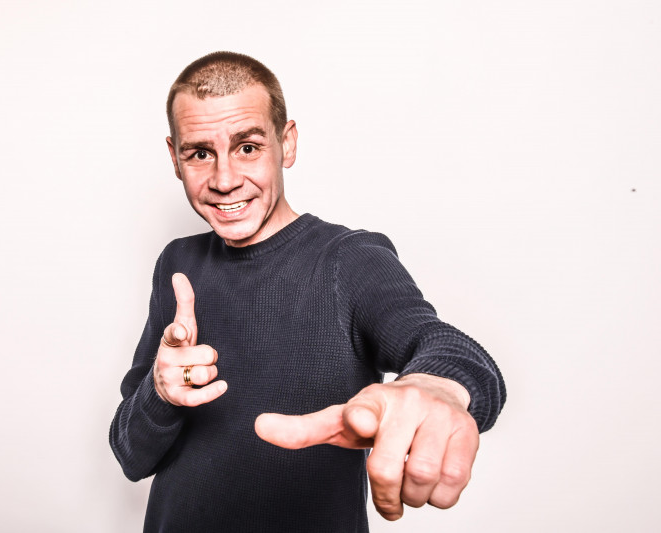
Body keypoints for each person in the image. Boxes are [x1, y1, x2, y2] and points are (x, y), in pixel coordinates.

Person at [109, 51, 506, 532]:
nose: (225, 180)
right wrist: (160, 393)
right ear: (175, 158)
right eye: (200, 154)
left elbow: (440, 343)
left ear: (287, 143)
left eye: (248, 147)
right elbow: (131, 457)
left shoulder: (349, 259)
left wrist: (436, 386)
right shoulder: (177, 264)